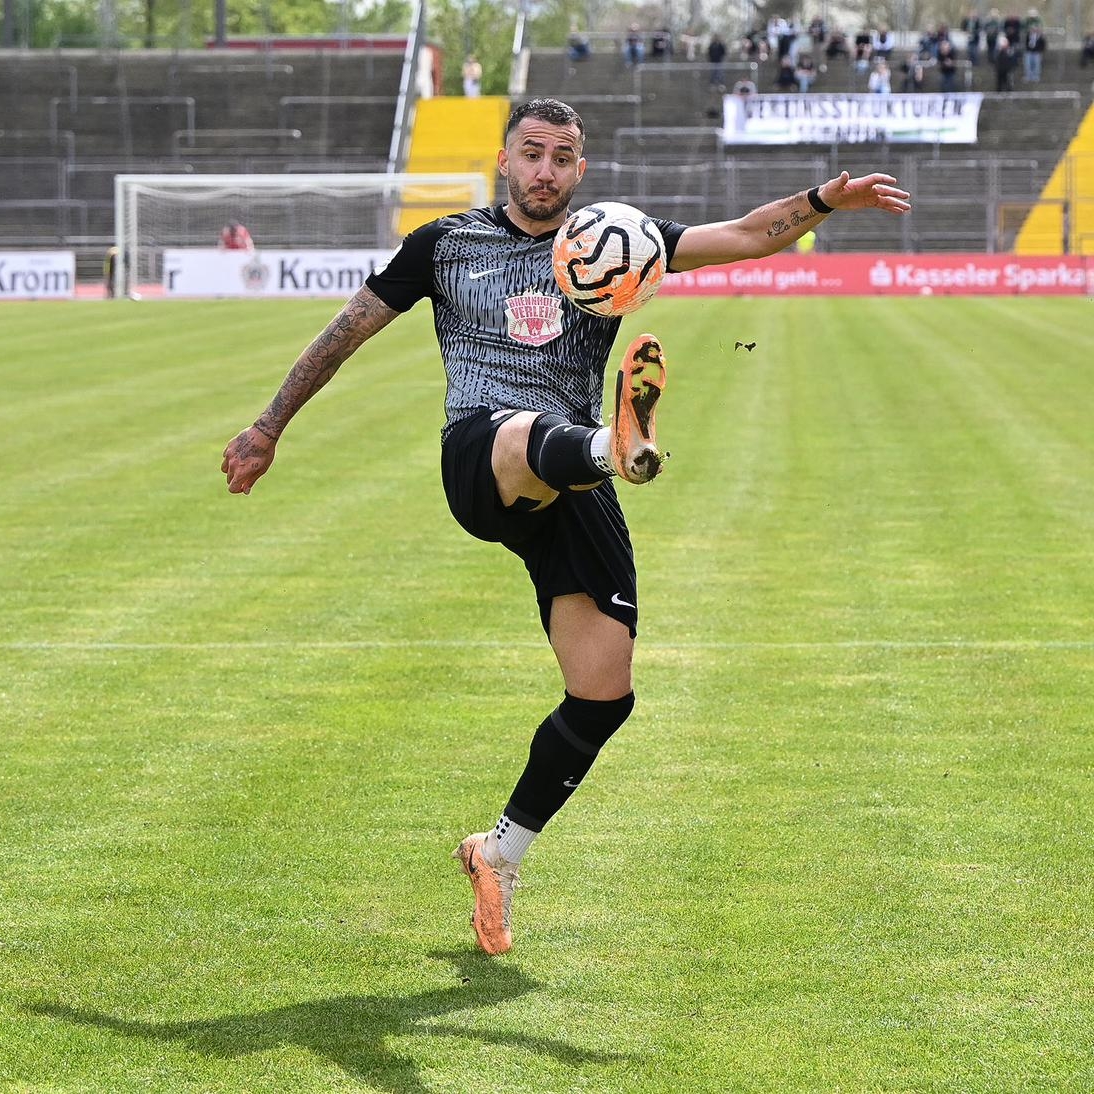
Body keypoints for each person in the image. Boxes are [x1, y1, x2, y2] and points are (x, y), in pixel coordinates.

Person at [219, 98, 910, 956]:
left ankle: (497, 854)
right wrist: (269, 425)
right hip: (484, 455)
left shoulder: (616, 238)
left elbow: (744, 235)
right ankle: (613, 443)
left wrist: (821, 202)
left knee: (604, 689)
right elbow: (345, 332)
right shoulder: (446, 244)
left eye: (563, 156)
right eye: (532, 153)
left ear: (581, 170)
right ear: (505, 160)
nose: (546, 169)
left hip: (577, 480)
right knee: (521, 434)